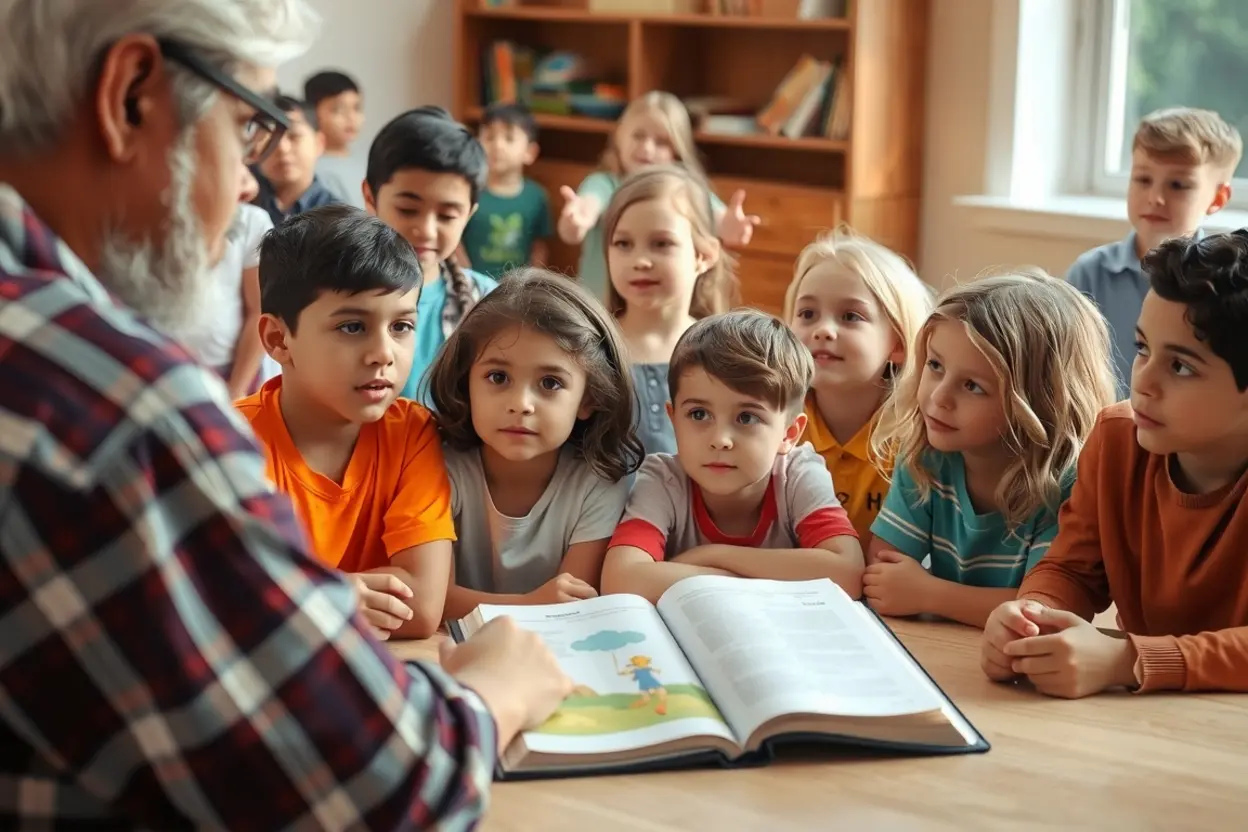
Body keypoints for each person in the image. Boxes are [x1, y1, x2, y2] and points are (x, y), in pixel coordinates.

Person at [0, 1, 567, 827]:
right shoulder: (112, 408)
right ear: (130, 97)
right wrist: (494, 688)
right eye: (245, 126)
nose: (245, 184)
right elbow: (379, 788)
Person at [983, 232, 1248, 697]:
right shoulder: (1116, 439)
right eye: (1144, 348)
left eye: (1181, 367)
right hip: (1142, 720)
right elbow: (1071, 570)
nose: (1143, 381)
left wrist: (1130, 660)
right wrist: (1031, 618)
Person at [239, 203, 456, 640]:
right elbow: (220, 604)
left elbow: (422, 608)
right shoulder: (232, 441)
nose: (384, 353)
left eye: (401, 326)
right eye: (353, 327)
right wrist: (338, 596)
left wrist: (300, 597)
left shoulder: (412, 433)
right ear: (278, 339)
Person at [863, 271, 1117, 628]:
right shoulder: (926, 456)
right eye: (935, 365)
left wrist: (929, 594)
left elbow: (1046, 611)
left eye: (972, 385)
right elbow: (884, 576)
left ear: (1039, 402)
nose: (938, 397)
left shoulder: (1065, 485)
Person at [602, 309, 863, 604]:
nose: (720, 440)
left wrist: (710, 556)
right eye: (699, 414)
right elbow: (621, 580)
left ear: (789, 434)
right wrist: (761, 579)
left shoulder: (799, 475)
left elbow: (848, 574)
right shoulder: (663, 480)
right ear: (674, 420)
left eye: (747, 418)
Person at [426, 268, 644, 617]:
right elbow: (432, 599)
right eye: (498, 377)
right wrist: (529, 605)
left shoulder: (598, 483)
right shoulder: (437, 467)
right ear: (467, 382)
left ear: (588, 399)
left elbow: (570, 605)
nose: (521, 404)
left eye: (550, 383)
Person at [1066, 107, 1241, 398]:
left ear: (1218, 198)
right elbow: (1064, 372)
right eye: (1143, 179)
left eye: (1177, 185)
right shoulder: (1089, 274)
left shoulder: (1226, 283)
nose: (1156, 198)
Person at [785, 227, 934, 539]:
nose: (823, 330)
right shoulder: (775, 425)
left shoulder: (919, 438)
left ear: (899, 344)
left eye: (850, 316)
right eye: (807, 313)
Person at [557, 91, 759, 300]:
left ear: (677, 151)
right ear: (619, 137)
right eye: (638, 136)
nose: (646, 148)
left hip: (659, 306)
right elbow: (582, 215)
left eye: (661, 142)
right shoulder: (604, 184)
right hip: (599, 308)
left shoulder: (686, 191)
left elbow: (720, 223)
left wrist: (733, 229)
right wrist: (575, 222)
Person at [602, 164, 740, 455]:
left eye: (661, 243)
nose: (640, 260)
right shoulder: (592, 349)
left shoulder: (726, 353)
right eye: (623, 243)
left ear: (703, 255)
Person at [363, 106, 499, 401]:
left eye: (447, 215)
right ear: (370, 197)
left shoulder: (487, 302)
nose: (425, 230)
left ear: (469, 214)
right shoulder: (335, 293)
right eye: (407, 210)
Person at [175, 164, 271, 397]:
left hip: (230, 372)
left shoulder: (252, 221)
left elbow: (260, 311)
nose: (250, 188)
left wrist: (236, 393)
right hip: (165, 372)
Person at [459, 103, 553, 277]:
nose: (497, 146)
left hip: (517, 293)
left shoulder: (536, 197)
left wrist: (532, 285)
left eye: (509, 138)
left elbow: (539, 248)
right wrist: (468, 281)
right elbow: (456, 243)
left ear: (530, 152)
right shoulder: (467, 191)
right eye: (489, 137)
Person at [253, 93, 340, 225]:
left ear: (319, 143)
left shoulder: (338, 219)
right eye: (270, 139)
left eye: (294, 136)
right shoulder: (240, 204)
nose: (282, 148)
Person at [304, 68, 366, 208]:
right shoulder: (311, 170)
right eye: (338, 110)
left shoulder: (368, 165)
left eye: (356, 108)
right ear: (313, 114)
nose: (351, 118)